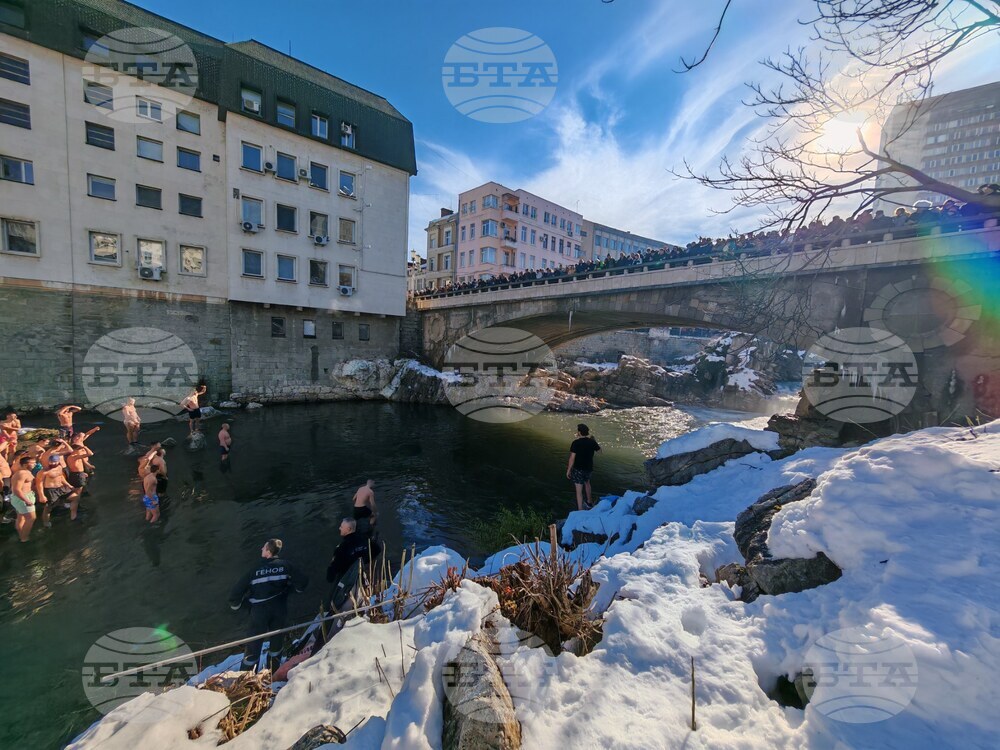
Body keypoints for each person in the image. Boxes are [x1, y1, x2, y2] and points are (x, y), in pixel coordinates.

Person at [229, 539, 309, 669]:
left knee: (253, 645)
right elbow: (303, 582)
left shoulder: (254, 570)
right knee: (276, 643)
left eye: (263, 547)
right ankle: (274, 671)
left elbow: (235, 595)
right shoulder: (286, 566)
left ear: (268, 552)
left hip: (258, 613)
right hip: (279, 610)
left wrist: (246, 605)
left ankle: (247, 677)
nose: (261, 549)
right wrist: (288, 591)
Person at [326, 518, 370, 613]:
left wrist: (330, 575)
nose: (339, 528)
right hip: (360, 577)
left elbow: (332, 571)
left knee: (331, 602)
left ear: (349, 529)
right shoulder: (363, 541)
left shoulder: (342, 547)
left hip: (345, 581)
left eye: (342, 527)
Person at [567, 423, 601, 511]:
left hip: (578, 469)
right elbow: (600, 452)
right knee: (587, 483)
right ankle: (589, 502)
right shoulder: (592, 442)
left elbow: (572, 458)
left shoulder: (575, 443)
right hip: (589, 468)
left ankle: (580, 510)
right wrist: (594, 440)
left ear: (579, 432)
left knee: (579, 491)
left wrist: (568, 470)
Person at [34, 455, 74, 528]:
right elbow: (38, 483)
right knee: (48, 508)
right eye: (51, 462)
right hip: (50, 490)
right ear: (48, 461)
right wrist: (41, 495)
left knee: (73, 496)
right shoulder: (43, 472)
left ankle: (62, 505)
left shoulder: (60, 467)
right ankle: (46, 522)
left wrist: (68, 485)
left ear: (58, 461)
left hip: (61, 487)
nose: (53, 463)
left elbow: (61, 477)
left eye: (55, 462)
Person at [10, 456, 37, 541]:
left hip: (25, 496)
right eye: (33, 463)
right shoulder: (21, 474)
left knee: (21, 516)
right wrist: (26, 500)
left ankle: (21, 533)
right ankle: (24, 538)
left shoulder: (27, 472)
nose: (35, 464)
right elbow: (16, 489)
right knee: (31, 518)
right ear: (25, 465)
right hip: (22, 498)